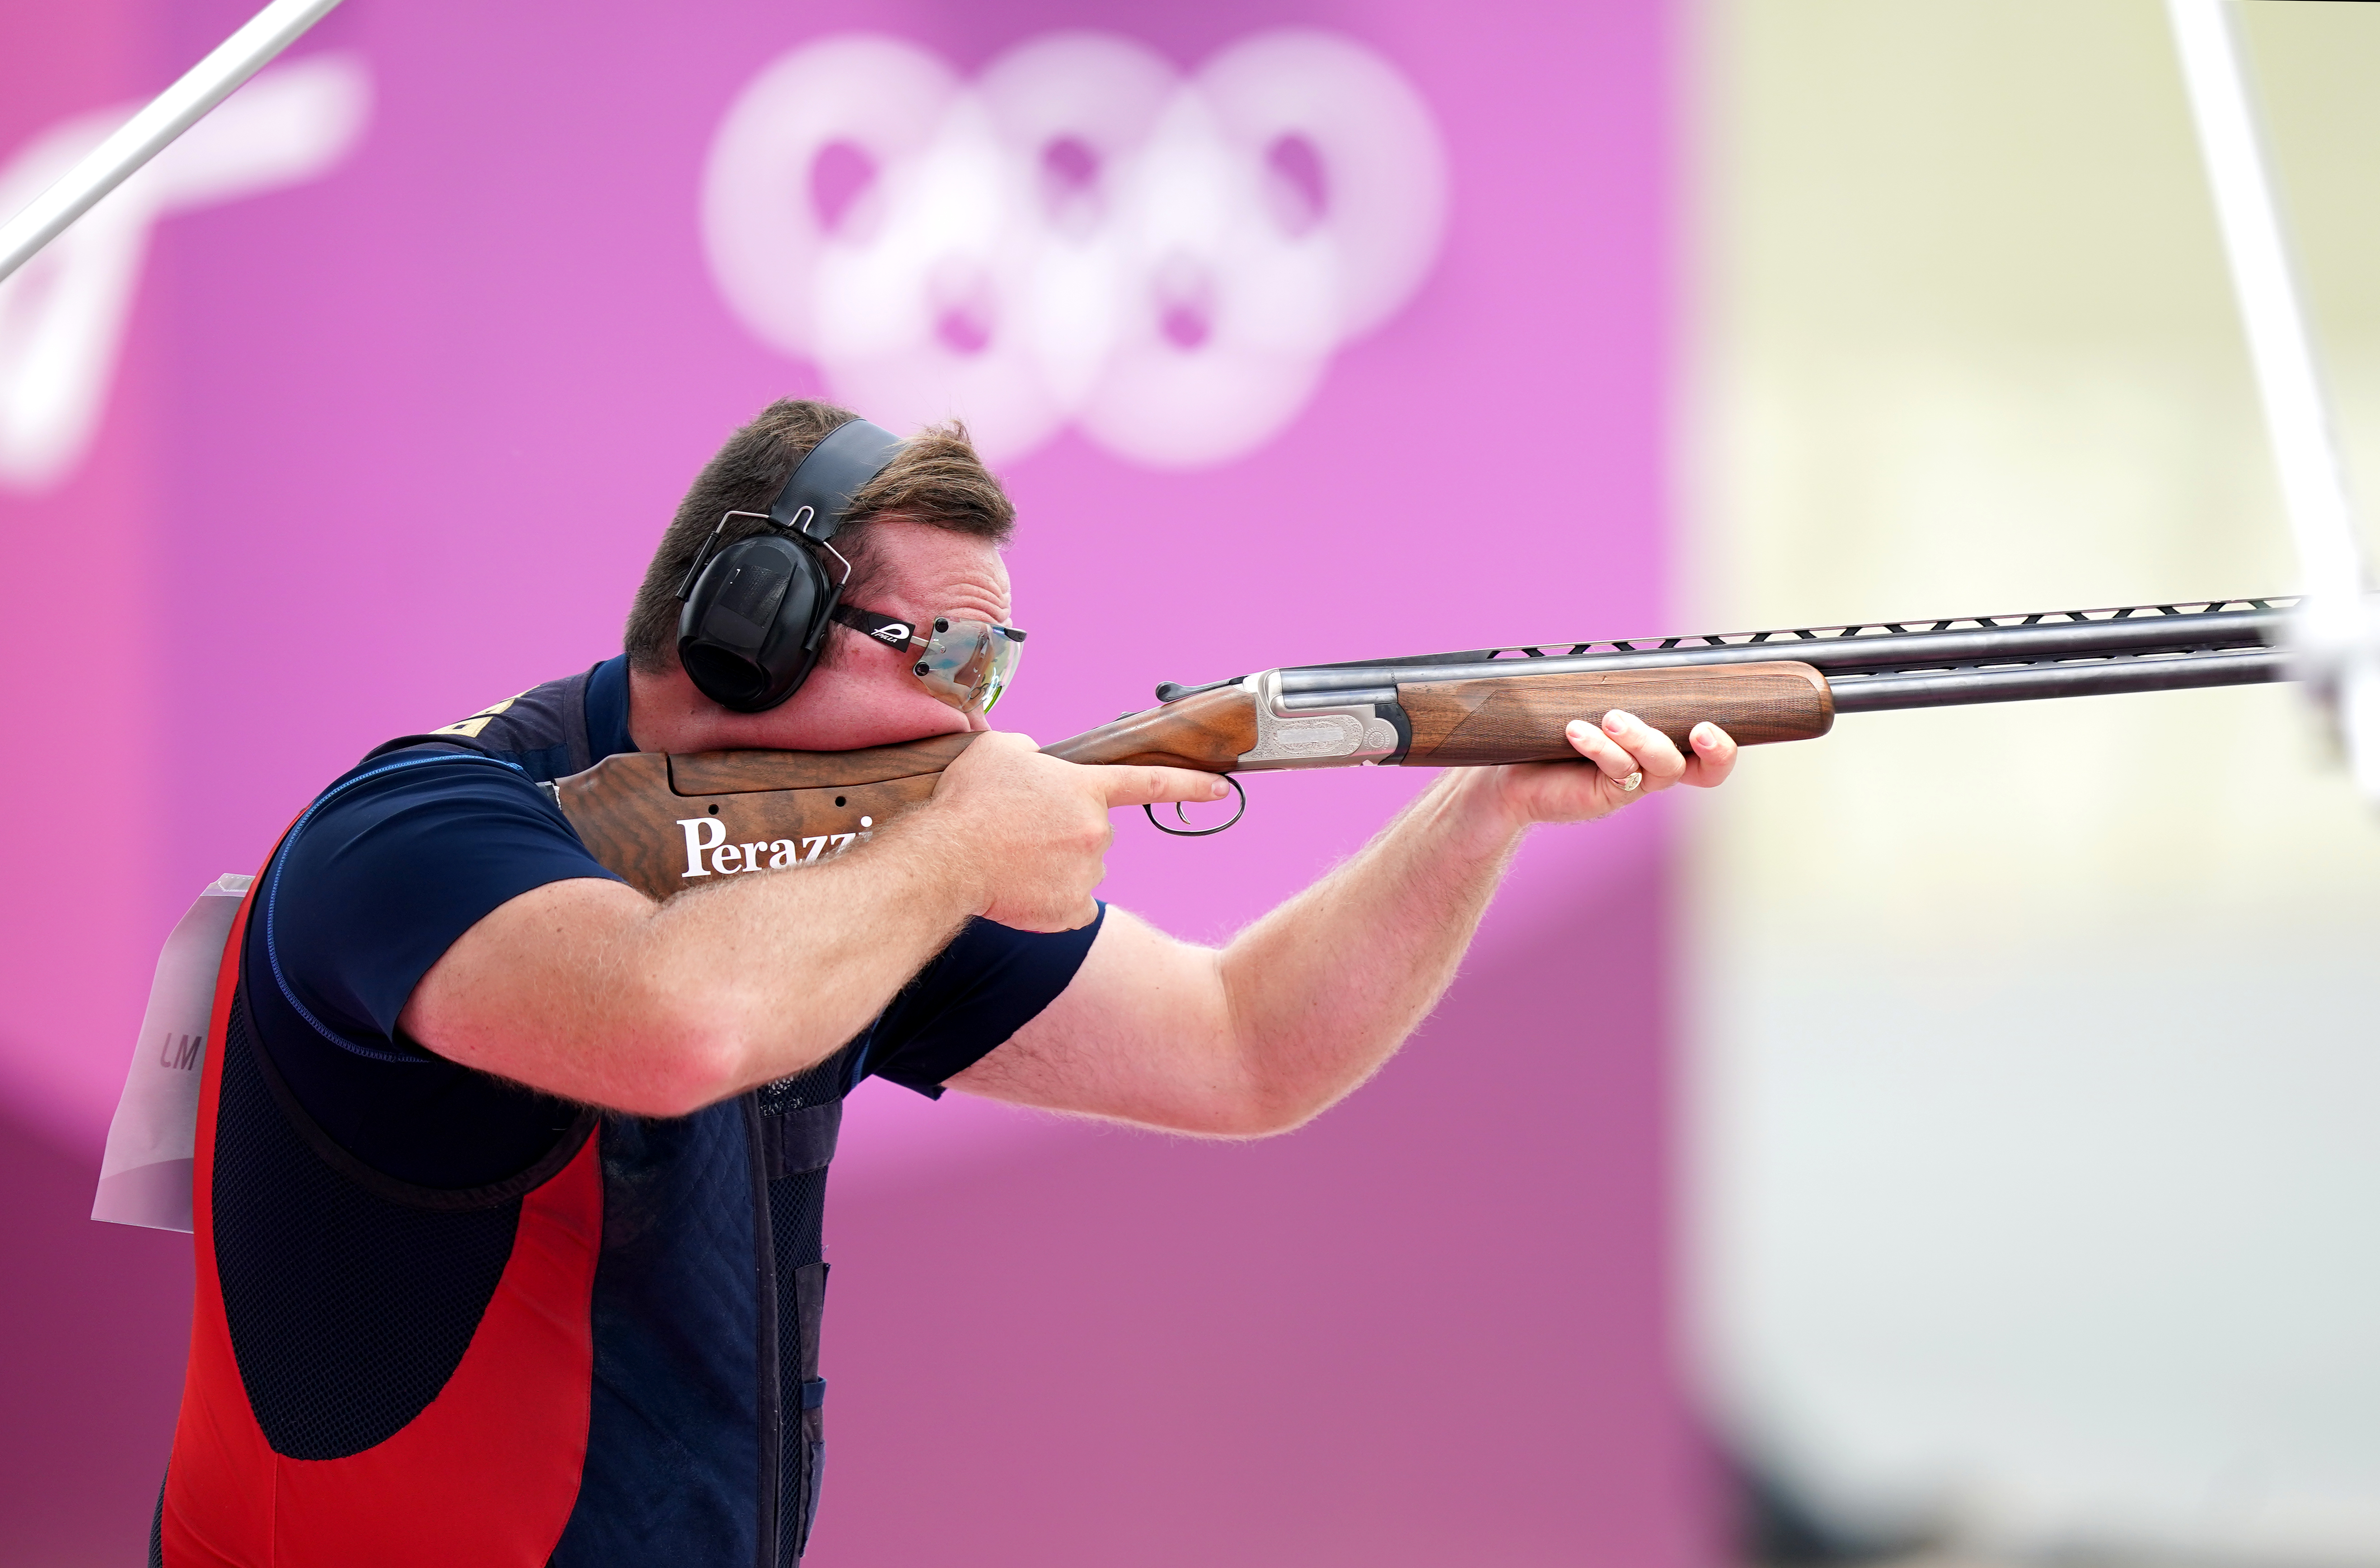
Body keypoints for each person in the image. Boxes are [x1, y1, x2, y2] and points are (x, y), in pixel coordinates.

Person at [155, 400, 1738, 1568]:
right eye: (937, 657)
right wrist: (959, 849)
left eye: (995, 670)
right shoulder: (416, 830)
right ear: (748, 628)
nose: (974, 723)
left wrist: (1485, 811)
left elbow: (1246, 1048)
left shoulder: (828, 882)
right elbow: (674, 1021)